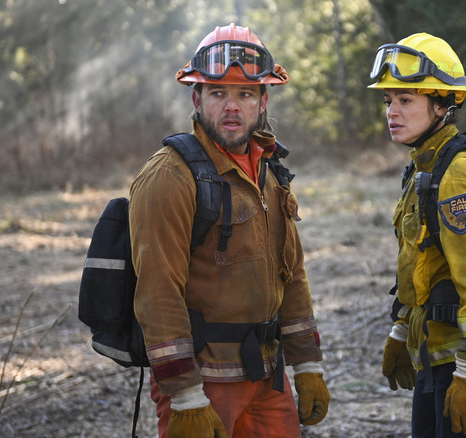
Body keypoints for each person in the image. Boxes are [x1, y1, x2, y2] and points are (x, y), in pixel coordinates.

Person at [129, 23, 329, 438]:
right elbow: (157, 292)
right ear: (196, 99)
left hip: (267, 376)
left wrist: (307, 363)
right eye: (218, 93)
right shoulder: (170, 176)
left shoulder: (270, 173)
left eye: (245, 94)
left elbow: (291, 274)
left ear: (263, 101)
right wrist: (185, 395)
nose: (232, 107)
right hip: (206, 384)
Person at [369, 33, 466, 437]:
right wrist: (401, 331)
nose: (392, 112)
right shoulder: (424, 170)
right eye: (389, 101)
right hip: (437, 360)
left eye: (405, 101)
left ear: (442, 105)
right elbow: (420, 267)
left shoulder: (458, 175)